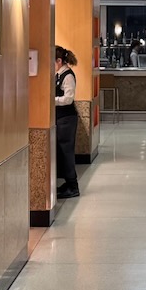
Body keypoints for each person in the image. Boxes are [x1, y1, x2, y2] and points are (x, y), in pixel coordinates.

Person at [54, 47, 80, 199]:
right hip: (61, 118)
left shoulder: (68, 76)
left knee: (66, 151)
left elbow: (68, 98)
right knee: (61, 151)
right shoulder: (59, 74)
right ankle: (67, 182)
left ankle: (72, 185)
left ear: (59, 61)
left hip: (67, 119)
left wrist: (53, 101)